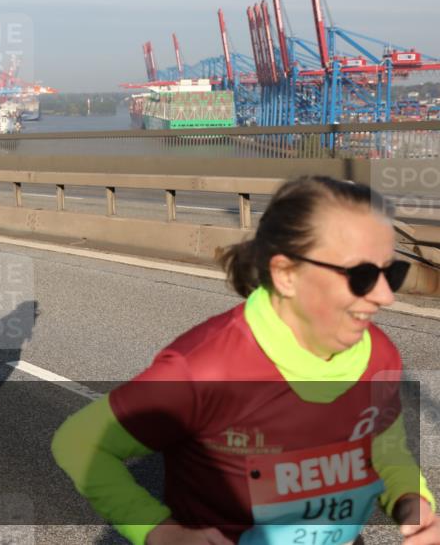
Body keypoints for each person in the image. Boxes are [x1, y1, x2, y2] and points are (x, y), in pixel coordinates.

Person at [52, 176, 437, 545]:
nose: (387, 296)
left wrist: (413, 505)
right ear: (286, 274)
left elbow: (383, 449)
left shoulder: (379, 352)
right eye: (363, 275)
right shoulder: (206, 369)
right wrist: (158, 531)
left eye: (393, 272)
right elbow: (80, 442)